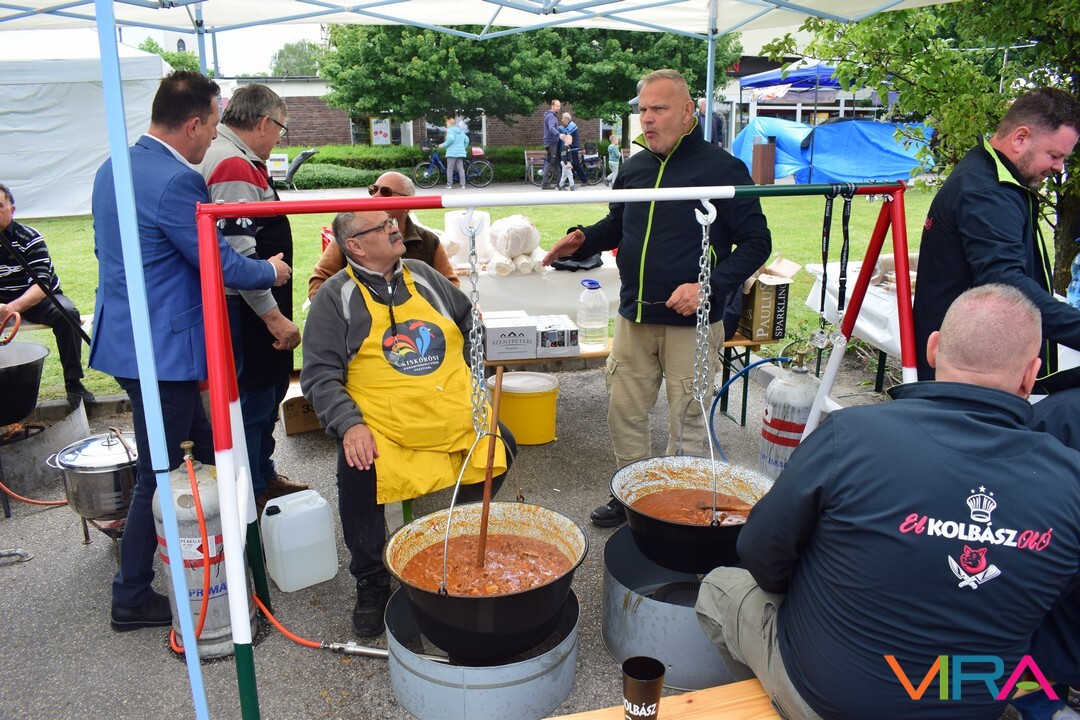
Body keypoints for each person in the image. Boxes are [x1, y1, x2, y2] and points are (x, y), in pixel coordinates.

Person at [695, 284, 1080, 720]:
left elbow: (760, 553)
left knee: (718, 588)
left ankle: (777, 705)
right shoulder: (1072, 480)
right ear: (1031, 374)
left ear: (932, 348)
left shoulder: (851, 436)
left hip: (830, 700)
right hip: (971, 702)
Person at [91, 70, 291, 632]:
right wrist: (270, 271)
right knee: (158, 473)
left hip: (128, 336)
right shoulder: (177, 180)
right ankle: (131, 594)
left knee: (207, 448)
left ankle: (233, 553)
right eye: (212, 126)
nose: (212, 139)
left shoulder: (114, 166)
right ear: (194, 124)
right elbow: (218, 262)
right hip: (163, 350)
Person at [542, 69, 771, 528]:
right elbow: (618, 226)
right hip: (634, 315)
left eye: (659, 109)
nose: (647, 119)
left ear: (687, 112)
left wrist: (708, 286)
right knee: (624, 411)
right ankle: (631, 492)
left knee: (688, 418)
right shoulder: (635, 167)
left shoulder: (722, 168)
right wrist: (583, 238)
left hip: (693, 320)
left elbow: (756, 243)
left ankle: (678, 505)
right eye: (643, 109)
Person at [301, 209, 516, 637]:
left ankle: (453, 535)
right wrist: (350, 425)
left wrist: (471, 377)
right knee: (359, 469)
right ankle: (372, 579)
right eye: (382, 226)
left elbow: (469, 323)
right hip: (383, 421)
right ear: (355, 246)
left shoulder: (424, 275)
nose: (394, 228)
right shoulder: (336, 295)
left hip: (447, 408)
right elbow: (319, 375)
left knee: (502, 445)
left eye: (391, 221)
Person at [913, 88, 1080, 392]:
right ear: (1020, 138)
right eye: (1054, 155)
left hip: (974, 356)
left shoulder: (987, 170)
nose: (1059, 167)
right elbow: (1008, 284)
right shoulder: (988, 193)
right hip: (972, 369)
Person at [198, 83, 307, 512]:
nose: (279, 138)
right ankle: (254, 491)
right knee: (255, 397)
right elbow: (239, 254)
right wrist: (273, 317)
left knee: (263, 394)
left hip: (251, 304)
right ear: (264, 122)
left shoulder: (235, 157)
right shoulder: (233, 164)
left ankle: (261, 475)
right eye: (280, 129)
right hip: (247, 308)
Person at [0, 182, 94, 408]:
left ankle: (73, 383)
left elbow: (41, 286)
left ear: (12, 210)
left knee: (66, 313)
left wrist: (10, 309)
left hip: (37, 300)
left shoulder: (29, 237)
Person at [307, 171, 459, 301]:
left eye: (385, 192)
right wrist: (349, 313)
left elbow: (451, 288)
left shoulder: (428, 241)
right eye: (373, 190)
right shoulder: (351, 236)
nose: (375, 196)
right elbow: (318, 283)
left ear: (408, 203)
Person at [438, 116, 468, 190]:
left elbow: (451, 139)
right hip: (460, 152)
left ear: (450, 124)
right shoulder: (460, 131)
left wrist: (442, 145)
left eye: (447, 123)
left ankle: (449, 185)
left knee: (450, 169)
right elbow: (467, 140)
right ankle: (462, 185)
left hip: (452, 153)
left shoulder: (450, 130)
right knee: (461, 169)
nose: (446, 125)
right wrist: (463, 147)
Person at [540, 99, 562, 189]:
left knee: (556, 162)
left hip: (551, 142)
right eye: (557, 106)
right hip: (551, 142)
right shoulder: (551, 116)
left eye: (559, 106)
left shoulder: (549, 115)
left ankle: (560, 182)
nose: (559, 108)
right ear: (552, 106)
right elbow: (551, 127)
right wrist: (559, 134)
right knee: (549, 162)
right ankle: (545, 184)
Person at [560, 111, 588, 184]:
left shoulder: (572, 125)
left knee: (575, 164)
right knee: (570, 164)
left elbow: (567, 135)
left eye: (562, 118)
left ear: (566, 119)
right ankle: (570, 180)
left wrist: (561, 129)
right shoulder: (568, 125)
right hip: (570, 148)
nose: (562, 120)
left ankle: (585, 180)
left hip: (573, 148)